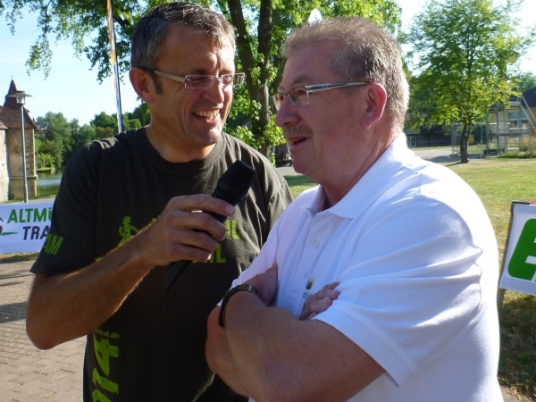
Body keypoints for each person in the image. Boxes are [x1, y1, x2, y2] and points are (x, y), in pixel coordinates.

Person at [206, 16, 502, 402]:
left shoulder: (431, 213)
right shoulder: (300, 212)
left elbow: (286, 381)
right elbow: (216, 346)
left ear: (370, 104)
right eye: (283, 97)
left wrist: (240, 298)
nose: (282, 117)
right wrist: (283, 337)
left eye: (302, 93)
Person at [25, 3, 292, 401]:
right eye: (196, 78)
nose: (218, 94)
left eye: (226, 77)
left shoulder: (259, 175)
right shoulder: (98, 169)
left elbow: (294, 299)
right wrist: (143, 250)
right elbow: (44, 327)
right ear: (144, 85)